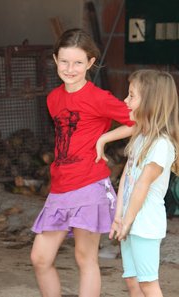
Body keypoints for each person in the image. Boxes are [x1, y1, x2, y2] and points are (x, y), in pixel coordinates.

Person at [29, 28, 134, 297]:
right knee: (40, 258)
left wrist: (105, 138)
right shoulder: (53, 99)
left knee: (85, 259)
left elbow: (142, 121)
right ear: (55, 60)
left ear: (90, 63)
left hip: (89, 186)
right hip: (60, 188)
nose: (70, 68)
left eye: (78, 62)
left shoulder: (99, 97)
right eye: (64, 61)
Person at [106, 69, 179, 296]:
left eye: (131, 95)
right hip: (130, 221)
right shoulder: (140, 137)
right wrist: (118, 218)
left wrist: (127, 222)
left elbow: (142, 185)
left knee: (148, 283)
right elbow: (126, 181)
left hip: (145, 226)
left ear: (150, 102)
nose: (125, 101)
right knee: (132, 280)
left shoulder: (161, 145)